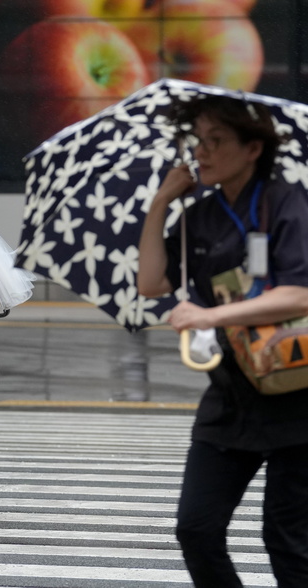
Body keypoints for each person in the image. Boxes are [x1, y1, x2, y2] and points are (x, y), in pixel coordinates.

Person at [137, 94, 308, 587]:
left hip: (298, 397)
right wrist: (161, 203)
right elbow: (151, 283)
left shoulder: (286, 201)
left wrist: (210, 313)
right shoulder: (201, 216)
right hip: (231, 397)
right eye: (199, 142)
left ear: (253, 148)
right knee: (196, 529)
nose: (203, 152)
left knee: (287, 539)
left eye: (217, 141)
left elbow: (298, 294)